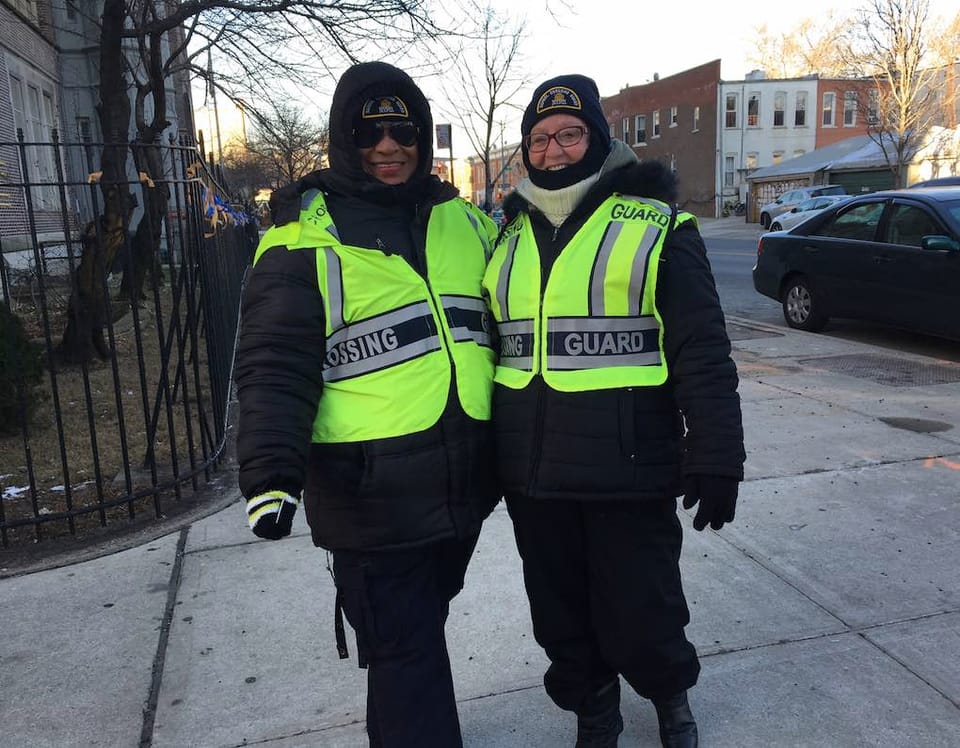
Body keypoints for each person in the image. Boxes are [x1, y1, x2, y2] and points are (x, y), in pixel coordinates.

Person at [235, 61, 500, 747]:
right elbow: (274, 365)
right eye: (368, 132)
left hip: (461, 491)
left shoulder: (464, 223)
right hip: (368, 502)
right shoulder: (301, 239)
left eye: (401, 129)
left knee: (406, 648)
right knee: (410, 654)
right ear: (342, 139)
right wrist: (270, 476)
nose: (388, 146)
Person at [481, 75, 745, 747]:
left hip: (628, 468)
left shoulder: (657, 223)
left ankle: (670, 702)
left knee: (644, 612)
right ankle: (594, 711)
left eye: (570, 133)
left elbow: (702, 350)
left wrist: (717, 455)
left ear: (598, 139)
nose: (554, 150)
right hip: (533, 478)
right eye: (540, 138)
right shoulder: (505, 235)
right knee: (560, 618)